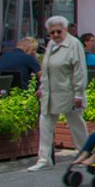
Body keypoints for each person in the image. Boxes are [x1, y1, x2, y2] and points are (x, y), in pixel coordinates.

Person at [28, 16, 88, 172]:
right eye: (52, 32)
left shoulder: (74, 44)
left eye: (58, 31)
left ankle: (85, 154)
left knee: (76, 124)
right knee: (45, 123)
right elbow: (46, 69)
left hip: (69, 92)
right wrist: (42, 87)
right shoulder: (51, 44)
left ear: (65, 30)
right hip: (51, 92)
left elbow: (79, 71)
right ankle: (44, 159)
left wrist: (78, 94)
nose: (55, 35)